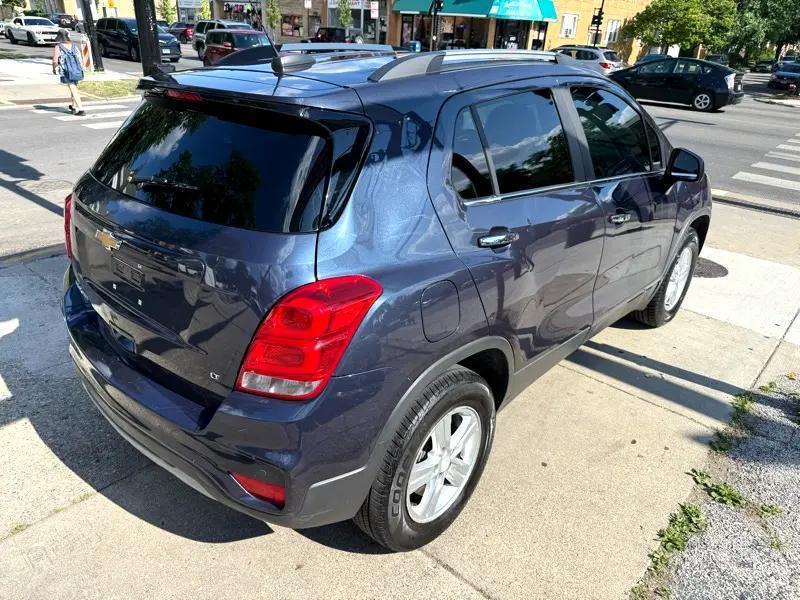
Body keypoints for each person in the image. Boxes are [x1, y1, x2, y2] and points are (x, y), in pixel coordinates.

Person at [52, 29, 85, 116]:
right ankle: (73, 107)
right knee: (74, 88)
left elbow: (55, 60)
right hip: (77, 70)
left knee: (72, 88)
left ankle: (81, 109)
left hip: (66, 70)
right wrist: (81, 69)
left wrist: (54, 68)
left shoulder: (58, 46)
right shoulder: (74, 45)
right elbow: (80, 58)